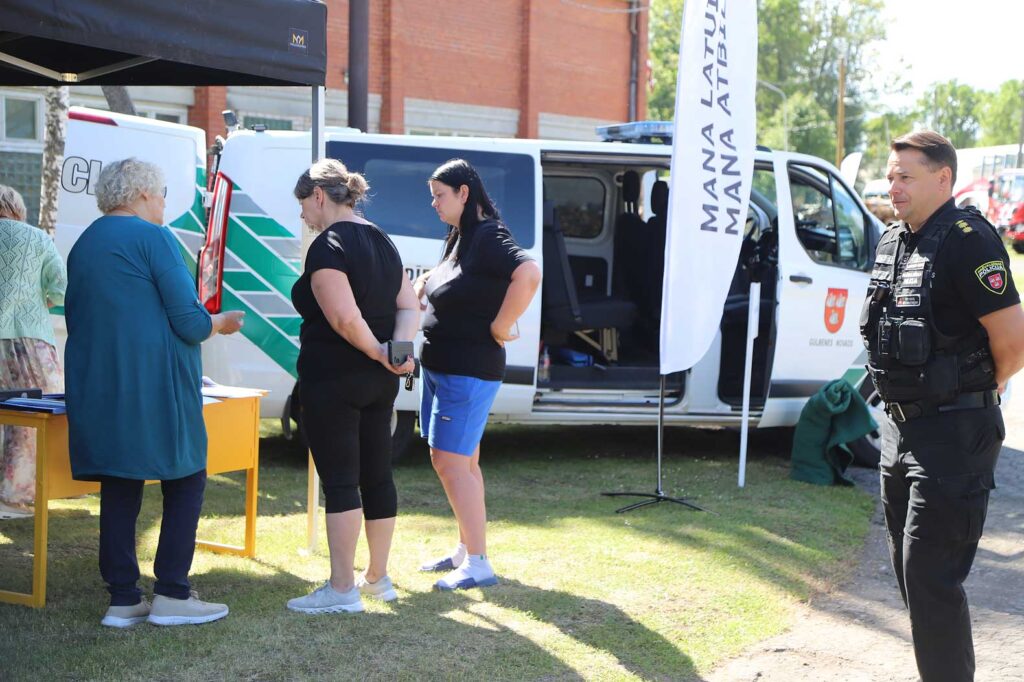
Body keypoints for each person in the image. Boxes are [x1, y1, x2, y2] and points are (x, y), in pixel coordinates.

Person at [861, 131, 1024, 681]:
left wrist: (977, 389)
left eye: (905, 176)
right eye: (891, 176)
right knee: (912, 578)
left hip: (955, 434)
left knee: (930, 578)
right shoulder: (894, 240)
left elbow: (1014, 340)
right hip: (899, 431)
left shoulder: (968, 240)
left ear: (942, 178)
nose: (894, 186)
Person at [64, 159, 245, 628]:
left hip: (100, 384)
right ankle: (171, 593)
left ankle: (123, 598)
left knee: (120, 482)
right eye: (163, 192)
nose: (165, 201)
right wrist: (220, 323)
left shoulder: (84, 243)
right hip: (156, 384)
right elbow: (188, 322)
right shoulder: (154, 238)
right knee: (186, 477)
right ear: (142, 193)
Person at [286, 159, 419, 614]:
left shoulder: (328, 246)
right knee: (377, 474)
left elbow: (344, 319)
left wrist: (379, 351)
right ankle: (377, 578)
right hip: (379, 382)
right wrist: (395, 353)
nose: (303, 214)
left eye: (303, 204)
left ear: (319, 196)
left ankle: (342, 589)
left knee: (342, 481)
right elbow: (409, 304)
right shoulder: (383, 240)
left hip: (335, 379)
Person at [415, 159, 540, 590]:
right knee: (463, 461)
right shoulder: (461, 236)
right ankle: (467, 550)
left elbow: (529, 272)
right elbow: (453, 280)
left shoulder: (488, 234)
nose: (433, 203)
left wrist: (501, 326)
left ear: (464, 193)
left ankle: (480, 562)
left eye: (439, 195)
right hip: (440, 366)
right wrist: (425, 283)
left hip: (467, 369)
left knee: (449, 462)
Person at [0, 185, 66, 518]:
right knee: (37, 414)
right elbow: (59, 287)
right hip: (28, 339)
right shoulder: (36, 238)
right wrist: (44, 300)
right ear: (16, 207)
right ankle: (16, 495)